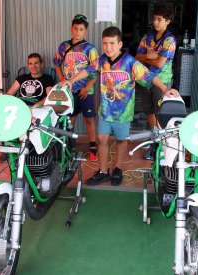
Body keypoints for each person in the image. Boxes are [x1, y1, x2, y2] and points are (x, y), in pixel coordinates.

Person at [62, 26, 179, 186]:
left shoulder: (130, 62)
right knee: (102, 139)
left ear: (119, 44)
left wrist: (165, 89)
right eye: (105, 43)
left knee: (121, 141)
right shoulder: (101, 61)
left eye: (112, 43)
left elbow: (149, 76)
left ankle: (117, 169)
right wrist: (71, 80)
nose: (108, 47)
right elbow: (87, 71)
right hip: (106, 111)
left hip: (123, 113)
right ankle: (103, 171)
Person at [53, 14, 99, 161]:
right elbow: (56, 63)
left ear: (85, 31)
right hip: (69, 91)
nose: (78, 32)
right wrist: (61, 78)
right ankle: (69, 145)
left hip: (86, 91)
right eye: (75, 28)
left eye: (81, 29)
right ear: (71, 28)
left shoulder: (90, 49)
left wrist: (87, 87)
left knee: (89, 120)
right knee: (69, 119)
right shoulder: (64, 46)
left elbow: (96, 70)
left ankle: (93, 146)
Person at [135, 1, 176, 159]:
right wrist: (149, 56)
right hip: (145, 81)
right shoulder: (148, 37)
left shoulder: (169, 40)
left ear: (168, 21)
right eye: (155, 19)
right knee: (149, 112)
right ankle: (155, 142)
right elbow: (137, 58)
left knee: (161, 114)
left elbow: (160, 63)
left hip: (162, 82)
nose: (156, 22)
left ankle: (162, 146)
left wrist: (148, 58)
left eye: (160, 19)